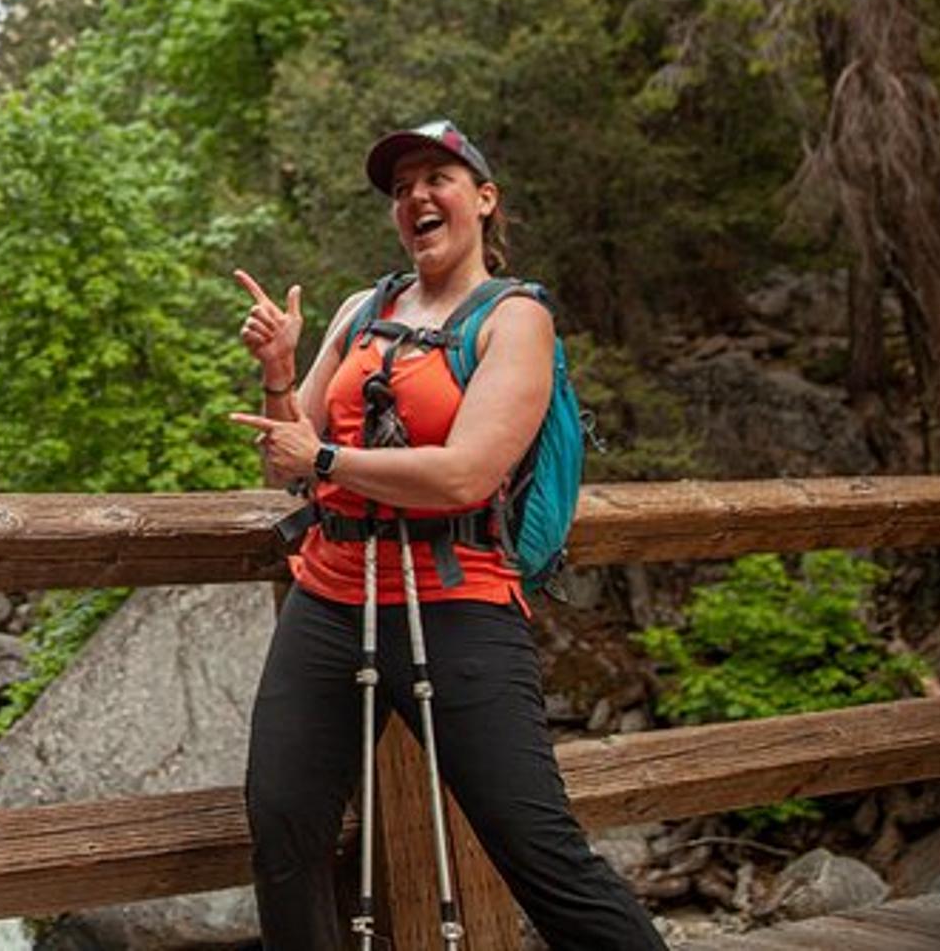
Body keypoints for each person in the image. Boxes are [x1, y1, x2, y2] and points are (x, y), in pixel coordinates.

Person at [228, 120, 664, 950]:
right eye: (401, 189)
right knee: (284, 833)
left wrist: (325, 455)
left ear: (483, 199)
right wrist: (281, 377)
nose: (416, 198)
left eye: (438, 178)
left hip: (458, 599)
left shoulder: (516, 319)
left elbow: (467, 473)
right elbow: (284, 469)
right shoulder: (363, 310)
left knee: (539, 850)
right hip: (329, 598)